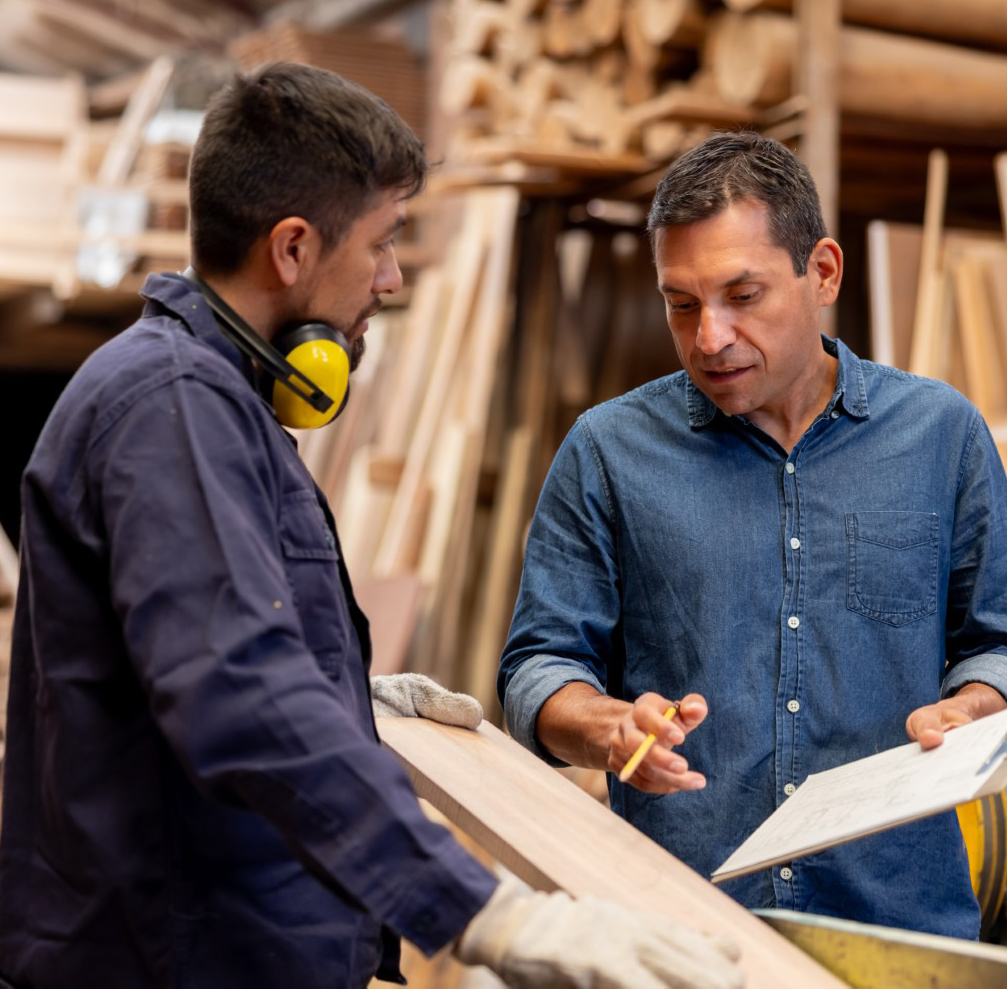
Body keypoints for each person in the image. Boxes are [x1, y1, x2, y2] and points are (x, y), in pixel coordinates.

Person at [0, 63, 744, 989]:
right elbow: (236, 691)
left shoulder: (207, 398)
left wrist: (350, 687)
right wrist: (484, 913)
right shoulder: (175, 407)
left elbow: (178, 653)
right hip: (177, 957)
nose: (391, 278)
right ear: (293, 249)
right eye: (383, 243)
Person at [498, 130, 1007, 940]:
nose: (709, 338)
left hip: (898, 923)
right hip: (681, 930)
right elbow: (538, 665)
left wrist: (975, 703)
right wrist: (603, 726)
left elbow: (996, 640)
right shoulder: (606, 452)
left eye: (743, 295)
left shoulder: (941, 436)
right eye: (682, 303)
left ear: (823, 273)